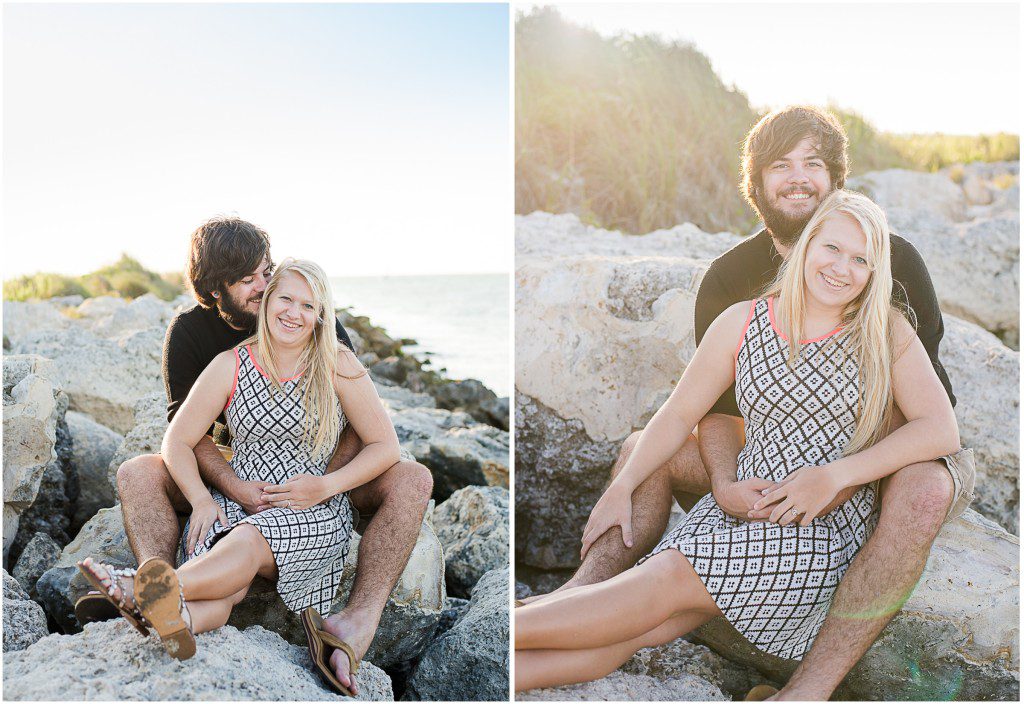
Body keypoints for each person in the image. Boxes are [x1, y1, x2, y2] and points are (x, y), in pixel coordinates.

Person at [519, 107, 975, 700]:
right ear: (760, 188)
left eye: (814, 163)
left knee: (651, 596)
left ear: (837, 180)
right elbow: (697, 412)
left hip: (841, 493)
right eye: (781, 164)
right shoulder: (738, 299)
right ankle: (553, 619)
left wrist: (834, 479)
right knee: (635, 630)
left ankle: (803, 691)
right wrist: (644, 484)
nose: (844, 267)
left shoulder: (886, 302)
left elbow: (932, 424)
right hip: (763, 494)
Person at [76, 218, 432, 696]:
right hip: (239, 475)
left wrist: (319, 487)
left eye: (269, 274)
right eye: (252, 282)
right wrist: (212, 496)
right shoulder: (207, 346)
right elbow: (185, 436)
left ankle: (157, 591)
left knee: (411, 478)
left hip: (312, 487)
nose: (268, 293)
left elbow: (367, 434)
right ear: (214, 289)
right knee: (151, 488)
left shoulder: (328, 346)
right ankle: (164, 604)